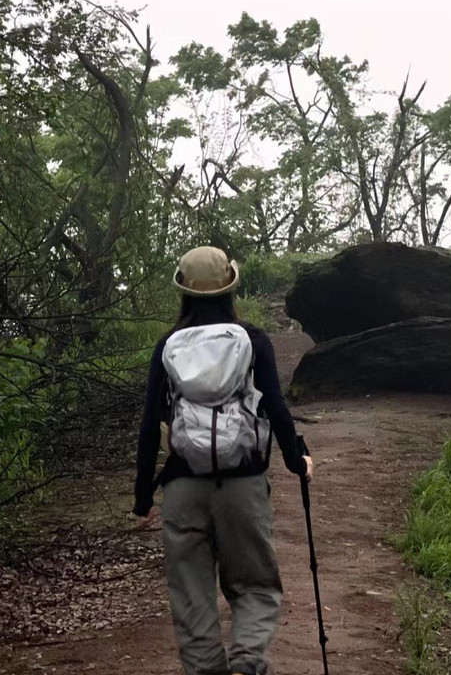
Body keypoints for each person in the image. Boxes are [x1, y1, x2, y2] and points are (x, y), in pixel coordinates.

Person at [133, 246, 314, 675]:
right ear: (231, 288)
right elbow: (275, 406)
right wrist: (297, 458)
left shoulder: (168, 346)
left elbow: (148, 424)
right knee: (254, 586)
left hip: (183, 487)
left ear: (183, 292)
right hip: (242, 486)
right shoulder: (252, 340)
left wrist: (143, 498)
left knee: (192, 598)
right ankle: (247, 662)